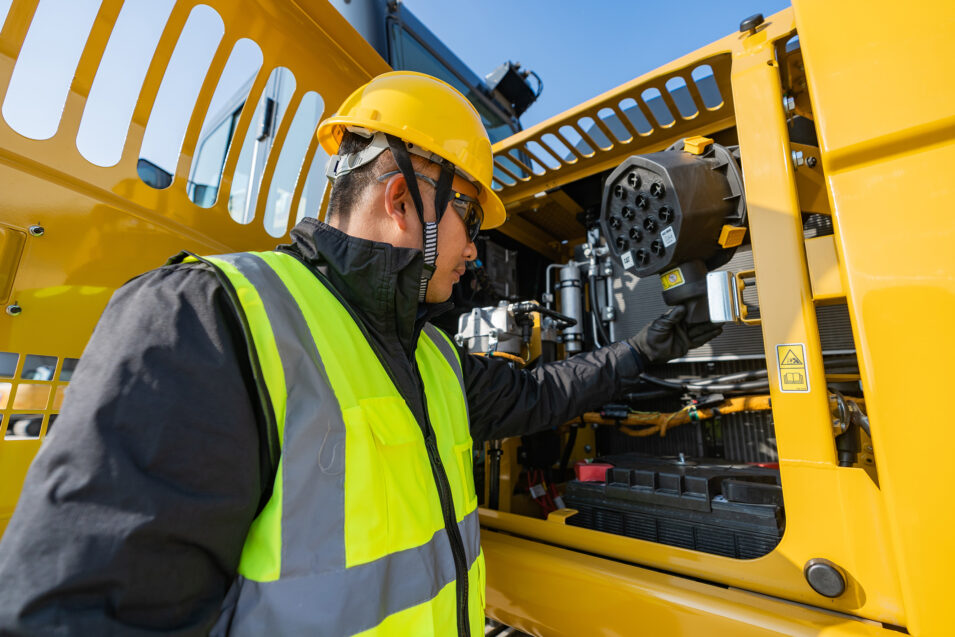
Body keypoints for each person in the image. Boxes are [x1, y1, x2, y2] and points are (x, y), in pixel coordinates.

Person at [0, 72, 720, 636]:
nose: (474, 250)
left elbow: (538, 397)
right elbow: (83, 611)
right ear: (404, 200)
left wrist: (642, 349)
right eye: (469, 219)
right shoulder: (208, 318)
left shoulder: (427, 354)